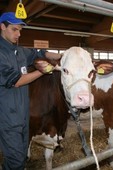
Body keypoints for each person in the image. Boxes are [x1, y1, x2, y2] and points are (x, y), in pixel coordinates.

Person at [0, 12, 62, 170]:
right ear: (2, 27)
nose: (18, 34)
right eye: (14, 29)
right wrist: (44, 71)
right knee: (15, 161)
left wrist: (64, 55)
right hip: (7, 118)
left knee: (21, 156)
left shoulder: (19, 51)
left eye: (20, 30)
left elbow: (39, 53)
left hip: (23, 116)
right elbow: (16, 81)